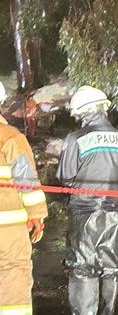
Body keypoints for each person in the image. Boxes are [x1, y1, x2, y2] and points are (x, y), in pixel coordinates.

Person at [56, 85, 118, 315]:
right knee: (110, 269)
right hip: (116, 215)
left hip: (85, 214)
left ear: (82, 112)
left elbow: (65, 177)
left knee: (83, 269)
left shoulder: (75, 138)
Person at [0, 81, 48, 315]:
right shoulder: (10, 138)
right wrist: (36, 215)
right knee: (13, 272)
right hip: (7, 228)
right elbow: (27, 181)